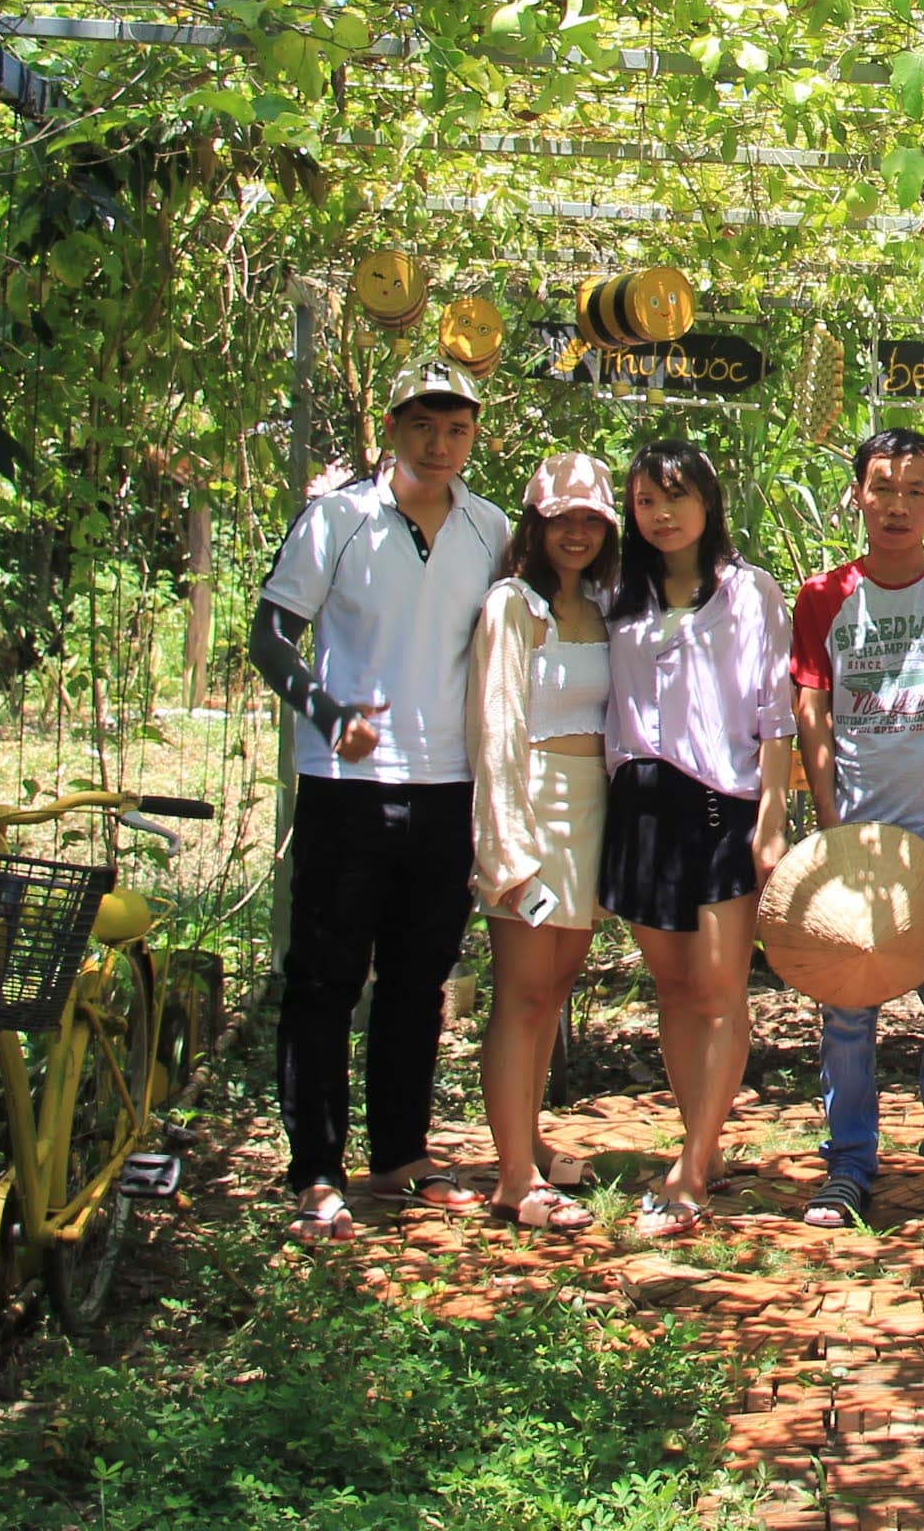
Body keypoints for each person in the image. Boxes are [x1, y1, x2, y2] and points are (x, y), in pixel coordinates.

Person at [249, 362, 513, 1243]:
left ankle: (400, 1155)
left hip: (449, 785)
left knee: (418, 982)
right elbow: (271, 635)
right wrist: (328, 714)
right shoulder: (337, 521)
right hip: (346, 787)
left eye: (457, 430)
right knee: (323, 983)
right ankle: (316, 1172)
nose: (439, 446)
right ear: (393, 428)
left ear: (474, 437)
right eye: (423, 427)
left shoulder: (490, 529)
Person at [787, 427, 924, 1233]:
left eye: (915, 490)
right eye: (882, 487)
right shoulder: (824, 596)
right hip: (857, 842)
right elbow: (811, 710)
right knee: (847, 1014)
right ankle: (849, 1164)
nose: (897, 505)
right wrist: (831, 828)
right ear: (858, 494)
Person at [600, 438, 798, 1239]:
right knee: (675, 988)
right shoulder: (617, 592)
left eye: (676, 496)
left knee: (719, 990)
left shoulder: (750, 592)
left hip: (722, 808)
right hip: (641, 807)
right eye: (646, 500)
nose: (662, 514)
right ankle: (700, 1143)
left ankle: (690, 1168)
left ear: (708, 503)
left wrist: (772, 817)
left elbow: (776, 712)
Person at [465, 453, 622, 1231]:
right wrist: (506, 847)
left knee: (554, 990)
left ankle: (526, 1143)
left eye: (592, 519)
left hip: (592, 809)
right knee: (522, 995)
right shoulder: (512, 605)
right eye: (563, 519)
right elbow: (495, 727)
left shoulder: (602, 604)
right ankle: (513, 1179)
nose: (577, 533)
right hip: (532, 806)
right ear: (535, 524)